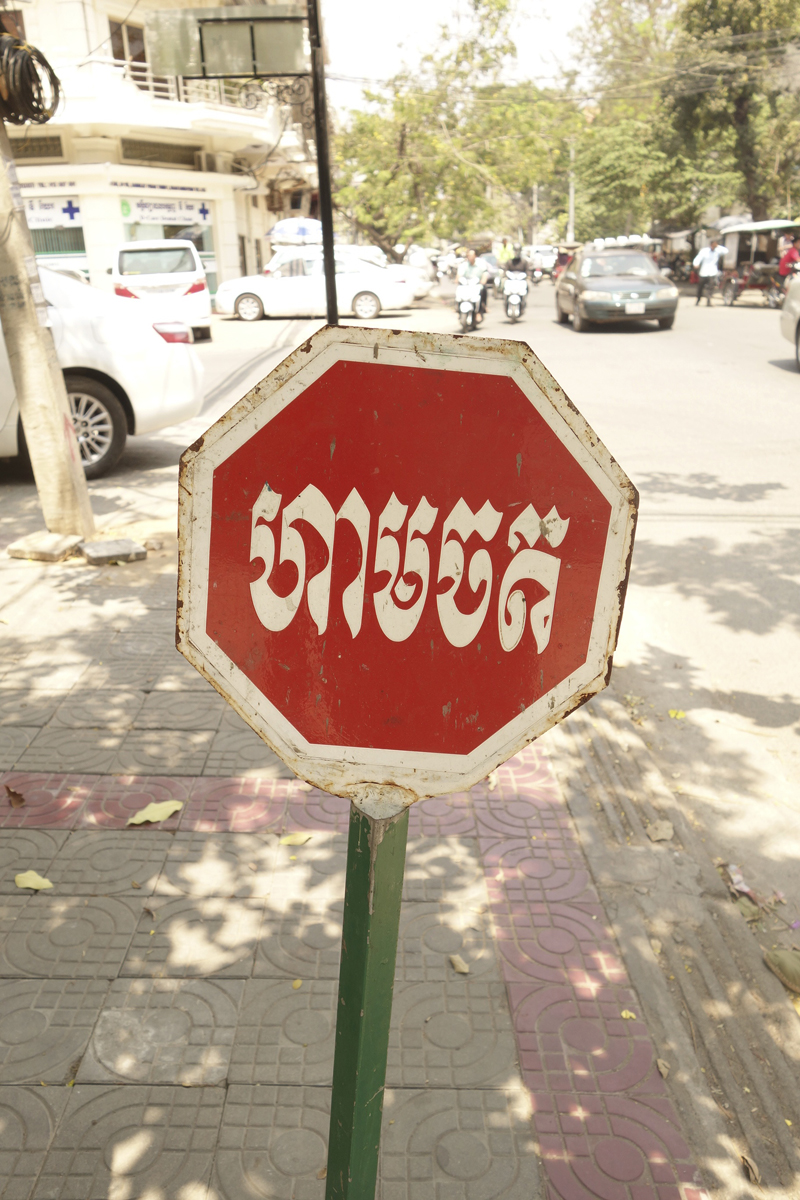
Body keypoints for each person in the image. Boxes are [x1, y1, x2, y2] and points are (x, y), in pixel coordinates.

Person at [457, 249, 489, 321]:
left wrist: (483, 280)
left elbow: (485, 273)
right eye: (469, 255)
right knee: (459, 291)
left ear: (475, 256)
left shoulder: (480, 264)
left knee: (482, 290)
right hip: (467, 285)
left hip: (477, 285)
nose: (470, 257)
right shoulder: (464, 265)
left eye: (471, 255)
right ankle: (458, 309)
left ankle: (479, 311)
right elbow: (459, 274)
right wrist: (458, 280)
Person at [693, 238, 726, 305]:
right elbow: (698, 258)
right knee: (700, 287)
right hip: (704, 272)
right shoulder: (704, 251)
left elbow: (726, 251)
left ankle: (708, 301)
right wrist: (696, 264)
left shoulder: (717, 251)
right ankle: (698, 300)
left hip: (712, 272)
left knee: (710, 287)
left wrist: (718, 246)